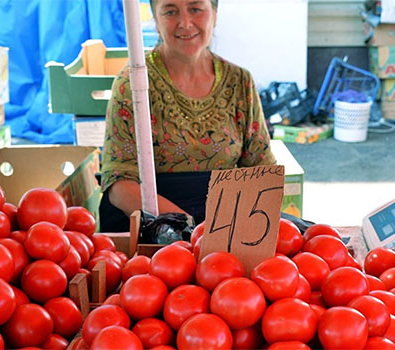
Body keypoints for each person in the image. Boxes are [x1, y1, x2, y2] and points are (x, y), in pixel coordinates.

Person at [99, 0, 277, 232]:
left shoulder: (239, 82)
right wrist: (189, 230)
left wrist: (232, 230)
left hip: (226, 225)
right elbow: (119, 186)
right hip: (153, 227)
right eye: (170, 11)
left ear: (214, 13)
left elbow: (261, 170)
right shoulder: (131, 83)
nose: (185, 23)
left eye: (195, 9)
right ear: (155, 19)